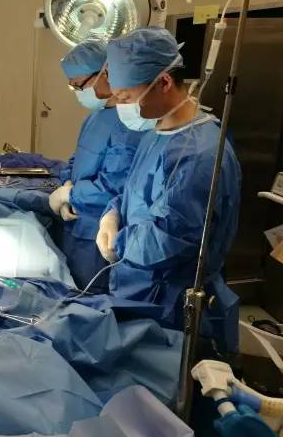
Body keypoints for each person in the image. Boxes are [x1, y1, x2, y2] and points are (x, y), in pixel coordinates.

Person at [96, 27, 242, 351]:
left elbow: (169, 237)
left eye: (126, 97)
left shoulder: (198, 154)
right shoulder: (157, 132)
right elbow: (135, 191)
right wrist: (112, 213)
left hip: (170, 304)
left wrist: (118, 242)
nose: (120, 105)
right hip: (141, 288)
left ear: (163, 82)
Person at [49, 39, 145, 292]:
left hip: (98, 231)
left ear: (106, 73)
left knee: (93, 297)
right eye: (72, 86)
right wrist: (66, 183)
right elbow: (77, 158)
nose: (78, 92)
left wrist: (71, 195)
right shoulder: (94, 117)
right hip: (75, 226)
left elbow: (116, 185)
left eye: (80, 85)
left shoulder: (130, 125)